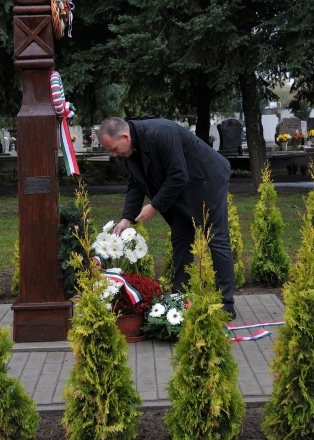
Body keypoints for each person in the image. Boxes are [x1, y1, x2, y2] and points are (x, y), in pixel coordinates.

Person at [99, 117, 236, 318]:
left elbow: (179, 174)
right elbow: (136, 184)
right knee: (181, 241)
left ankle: (226, 304)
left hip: (207, 183)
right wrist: (127, 218)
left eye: (113, 148)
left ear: (125, 136)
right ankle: (180, 298)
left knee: (217, 241)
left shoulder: (161, 133)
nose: (114, 154)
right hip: (179, 193)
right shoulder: (130, 151)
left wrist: (154, 206)